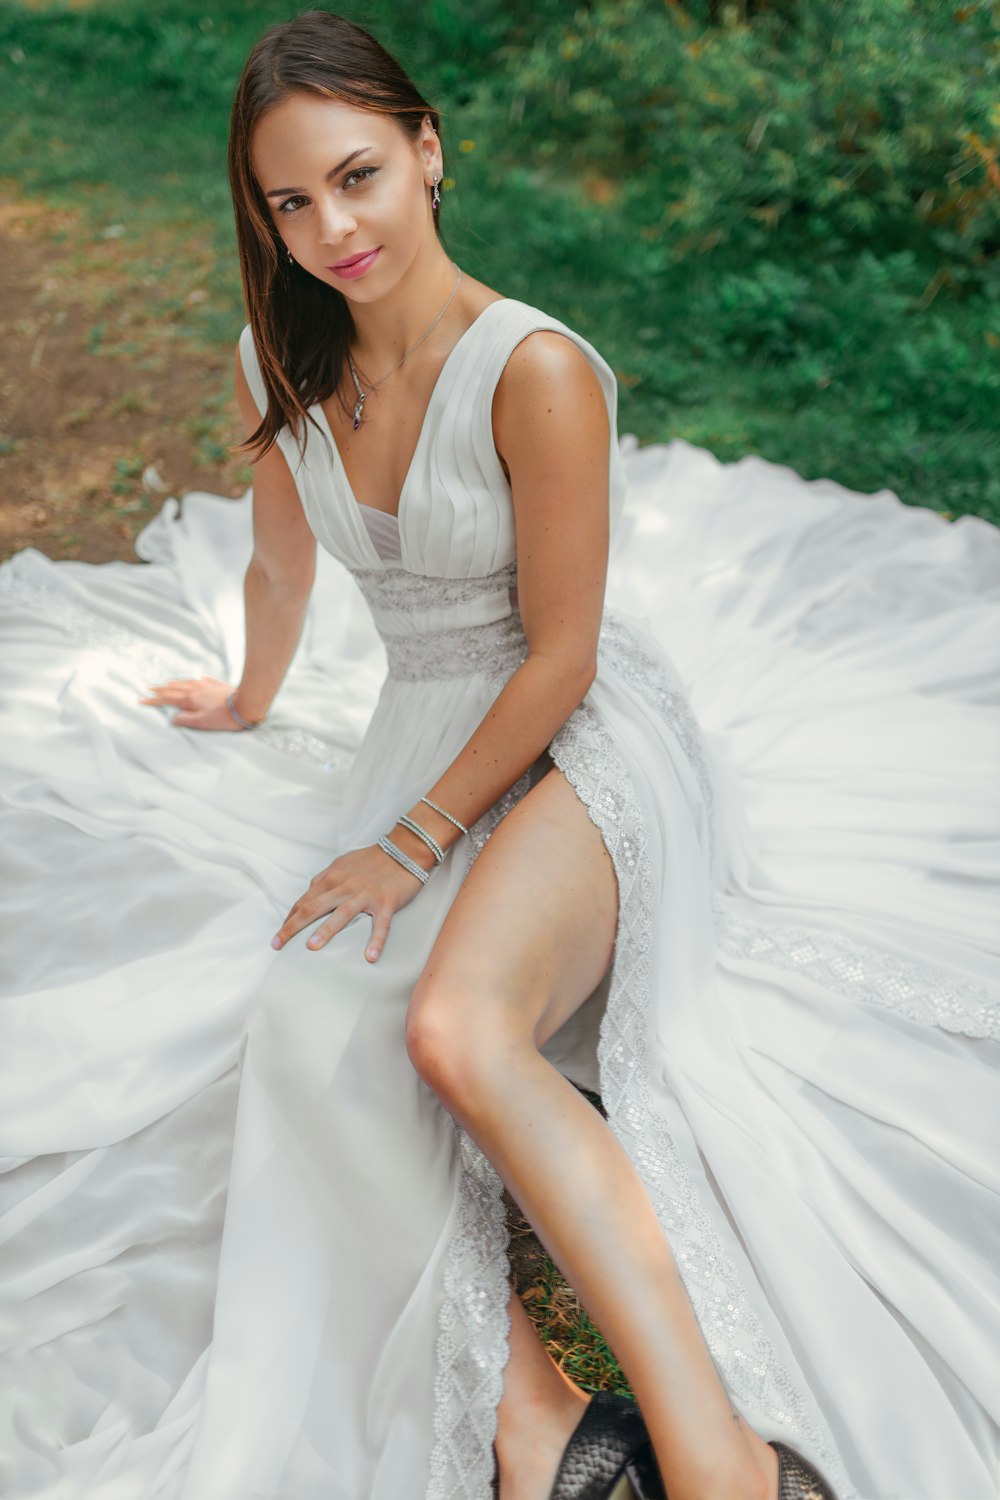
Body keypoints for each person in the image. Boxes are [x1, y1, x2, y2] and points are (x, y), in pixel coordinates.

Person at [1, 10, 997, 1500]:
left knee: (458, 1030)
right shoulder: (278, 357)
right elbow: (281, 568)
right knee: (303, 1015)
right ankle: (540, 1433)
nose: (333, 228)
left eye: (358, 177)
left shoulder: (533, 371)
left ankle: (732, 1465)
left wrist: (409, 839)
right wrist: (247, 696)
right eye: (290, 202)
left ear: (429, 152)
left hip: (580, 738)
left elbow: (565, 656)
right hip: (423, 729)